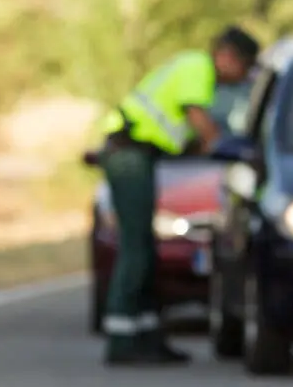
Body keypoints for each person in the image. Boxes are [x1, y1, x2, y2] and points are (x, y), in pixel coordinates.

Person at [97, 25, 260, 366]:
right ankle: (121, 337)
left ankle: (147, 334)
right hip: (129, 155)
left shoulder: (193, 68)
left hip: (138, 156)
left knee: (144, 247)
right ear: (227, 56)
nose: (241, 76)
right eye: (243, 67)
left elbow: (185, 132)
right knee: (136, 247)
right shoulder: (197, 68)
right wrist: (226, 147)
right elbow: (198, 119)